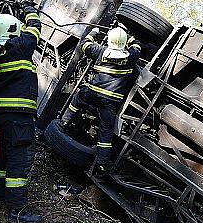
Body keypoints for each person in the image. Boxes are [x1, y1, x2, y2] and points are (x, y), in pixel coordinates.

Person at [0, 0, 43, 223]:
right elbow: (35, 27)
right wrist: (29, 9)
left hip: (1, 109)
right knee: (18, 159)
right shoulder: (21, 45)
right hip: (18, 112)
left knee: (5, 153)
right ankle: (17, 210)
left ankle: (2, 194)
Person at [61, 25, 142, 172]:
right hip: (110, 102)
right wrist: (129, 38)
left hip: (92, 94)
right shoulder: (131, 57)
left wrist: (94, 33)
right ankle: (101, 163)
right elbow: (137, 46)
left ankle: (64, 122)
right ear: (124, 44)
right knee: (106, 131)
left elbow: (85, 45)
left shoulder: (101, 52)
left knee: (77, 99)